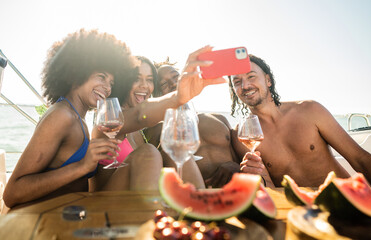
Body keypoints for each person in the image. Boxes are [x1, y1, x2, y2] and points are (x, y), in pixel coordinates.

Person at [3, 28, 225, 208]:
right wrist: (82, 166)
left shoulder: (75, 116)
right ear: (74, 72)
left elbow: (140, 115)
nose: (107, 88)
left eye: (111, 81)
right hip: (45, 218)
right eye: (100, 77)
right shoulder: (61, 115)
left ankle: (200, 214)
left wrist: (180, 97)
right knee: (147, 153)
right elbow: (11, 194)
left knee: (158, 151)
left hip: (75, 210)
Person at [229, 54, 371, 190]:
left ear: (268, 80)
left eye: (251, 77)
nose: (245, 86)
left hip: (347, 197)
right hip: (301, 211)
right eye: (237, 81)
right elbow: (269, 188)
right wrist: (257, 180)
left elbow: (360, 159)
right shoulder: (242, 136)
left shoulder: (310, 110)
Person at [144, 63, 243, 188]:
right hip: (191, 197)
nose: (174, 84)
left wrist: (236, 166)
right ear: (157, 95)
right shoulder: (154, 131)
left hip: (234, 190)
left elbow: (242, 158)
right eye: (164, 84)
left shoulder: (219, 119)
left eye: (176, 78)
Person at [89, 56, 163, 191]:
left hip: (131, 200)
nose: (144, 85)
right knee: (149, 152)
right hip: (104, 204)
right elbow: (140, 116)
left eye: (150, 80)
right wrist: (180, 98)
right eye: (136, 78)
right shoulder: (109, 119)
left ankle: (197, 207)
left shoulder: (138, 130)